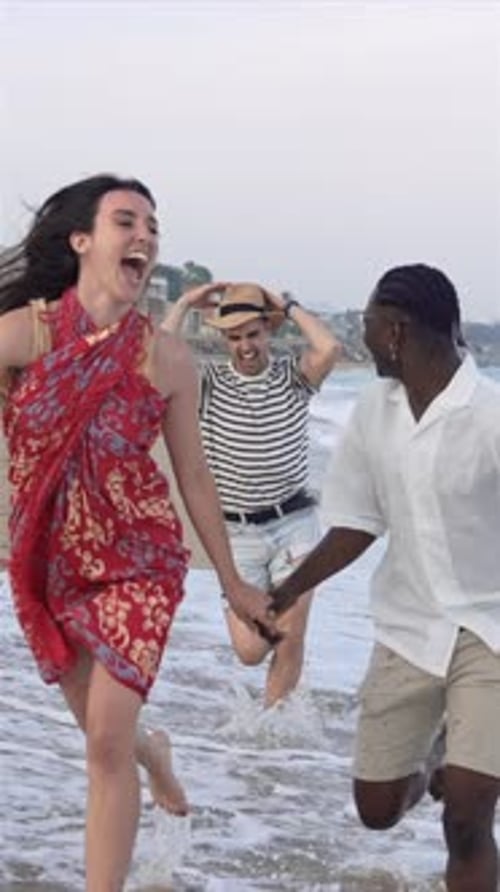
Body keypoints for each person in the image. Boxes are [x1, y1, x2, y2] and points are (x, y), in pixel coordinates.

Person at [0, 174, 276, 892]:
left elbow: (195, 479)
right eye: (127, 222)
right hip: (48, 561)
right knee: (108, 740)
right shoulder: (23, 336)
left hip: (138, 565)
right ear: (81, 240)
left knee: (102, 747)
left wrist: (235, 582)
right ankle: (155, 755)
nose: (146, 237)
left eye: (153, 227)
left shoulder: (166, 357)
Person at [270, 263, 500, 892]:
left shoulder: (489, 417)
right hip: (408, 626)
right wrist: (284, 594)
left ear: (395, 331)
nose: (363, 334)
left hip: (491, 630)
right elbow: (355, 524)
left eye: (368, 323)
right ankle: (435, 756)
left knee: (469, 818)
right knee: (377, 810)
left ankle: (466, 763)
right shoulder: (375, 411)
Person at [162, 282, 341, 706]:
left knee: (291, 636)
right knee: (250, 650)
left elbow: (329, 348)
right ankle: (279, 702)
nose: (245, 345)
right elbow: (156, 356)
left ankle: (272, 736)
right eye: (235, 336)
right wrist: (185, 302)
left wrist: (288, 305)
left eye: (254, 333)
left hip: (295, 523)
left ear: (268, 331)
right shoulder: (205, 385)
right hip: (236, 533)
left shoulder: (294, 377)